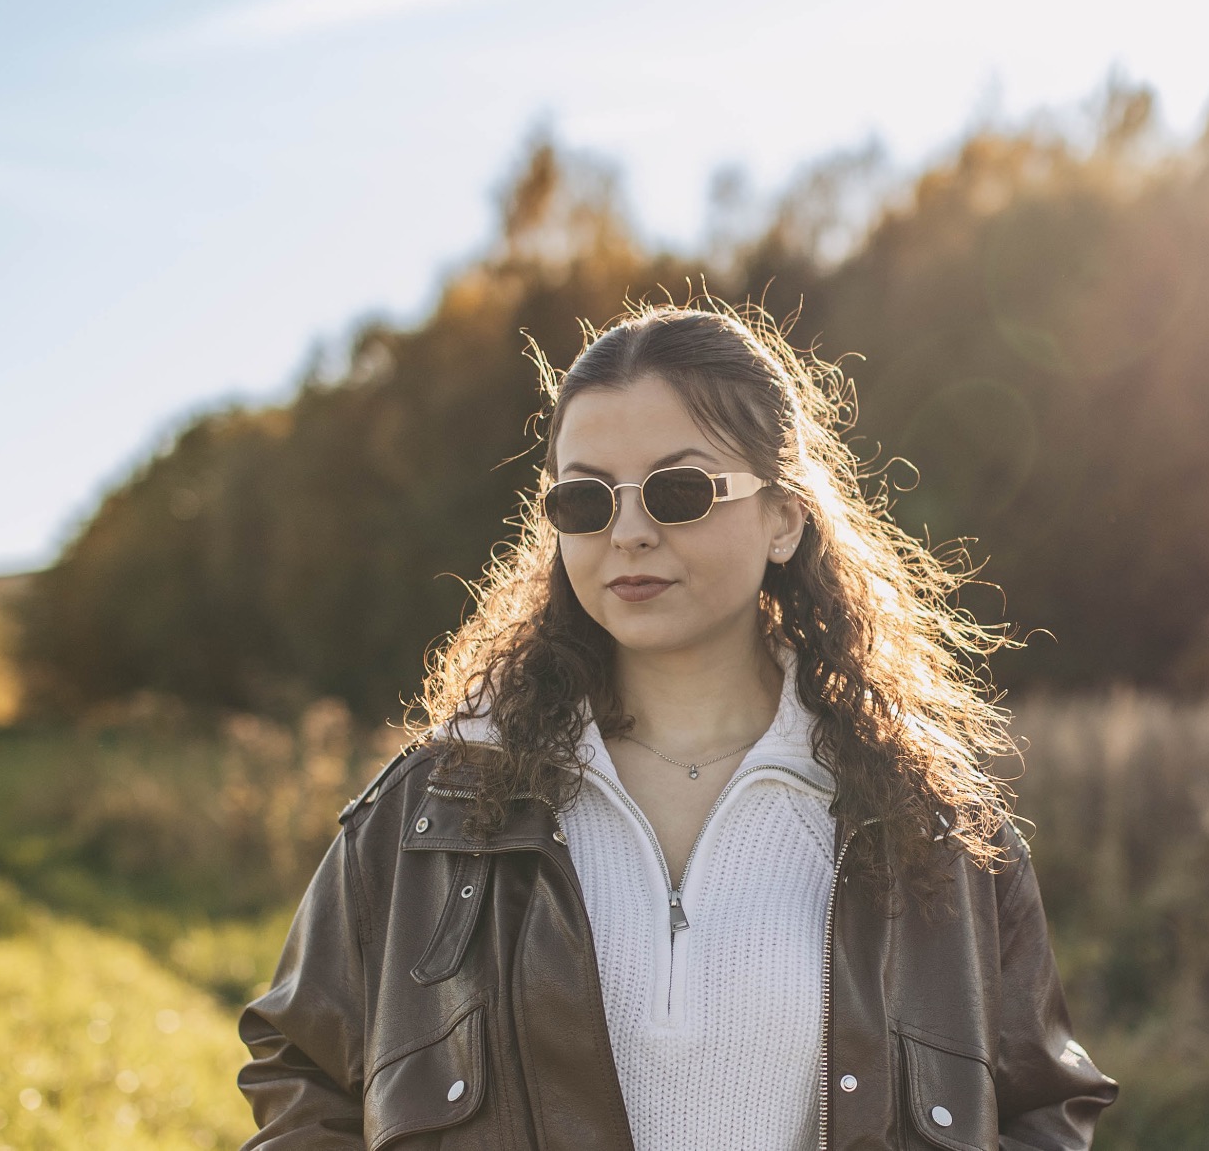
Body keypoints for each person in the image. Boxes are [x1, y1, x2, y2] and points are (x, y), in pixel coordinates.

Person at [237, 300, 1117, 1150]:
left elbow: (1041, 1104)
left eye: (679, 490)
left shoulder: (933, 824)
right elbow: (302, 1063)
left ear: (783, 517)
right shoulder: (436, 804)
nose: (628, 531)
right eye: (584, 500)